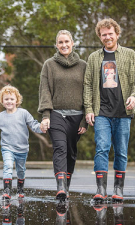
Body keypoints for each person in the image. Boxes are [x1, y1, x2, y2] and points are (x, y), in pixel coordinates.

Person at [83, 18, 135, 202]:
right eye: (104, 34)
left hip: (123, 112)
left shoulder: (130, 54)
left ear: (117, 34)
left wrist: (134, 95)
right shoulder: (94, 58)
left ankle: (118, 189)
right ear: (100, 37)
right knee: (102, 148)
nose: (107, 37)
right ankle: (101, 190)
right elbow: (87, 84)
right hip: (101, 112)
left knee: (121, 151)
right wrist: (88, 108)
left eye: (110, 33)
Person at [38, 30, 88, 201]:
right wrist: (46, 115)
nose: (64, 45)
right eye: (60, 42)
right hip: (56, 114)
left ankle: (66, 185)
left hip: (77, 117)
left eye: (67, 41)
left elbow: (88, 93)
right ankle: (60, 187)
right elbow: (45, 90)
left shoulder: (83, 65)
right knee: (60, 148)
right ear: (56, 45)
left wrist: (85, 119)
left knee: (71, 152)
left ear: (72, 43)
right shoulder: (49, 65)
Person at [0, 85, 43, 200]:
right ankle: (6, 191)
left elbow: (34, 125)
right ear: (2, 101)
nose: (9, 101)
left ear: (17, 100)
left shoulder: (24, 113)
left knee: (21, 170)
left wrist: (42, 127)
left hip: (22, 149)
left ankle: (20, 189)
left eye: (12, 99)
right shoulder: (0, 117)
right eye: (6, 99)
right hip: (7, 148)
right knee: (7, 166)